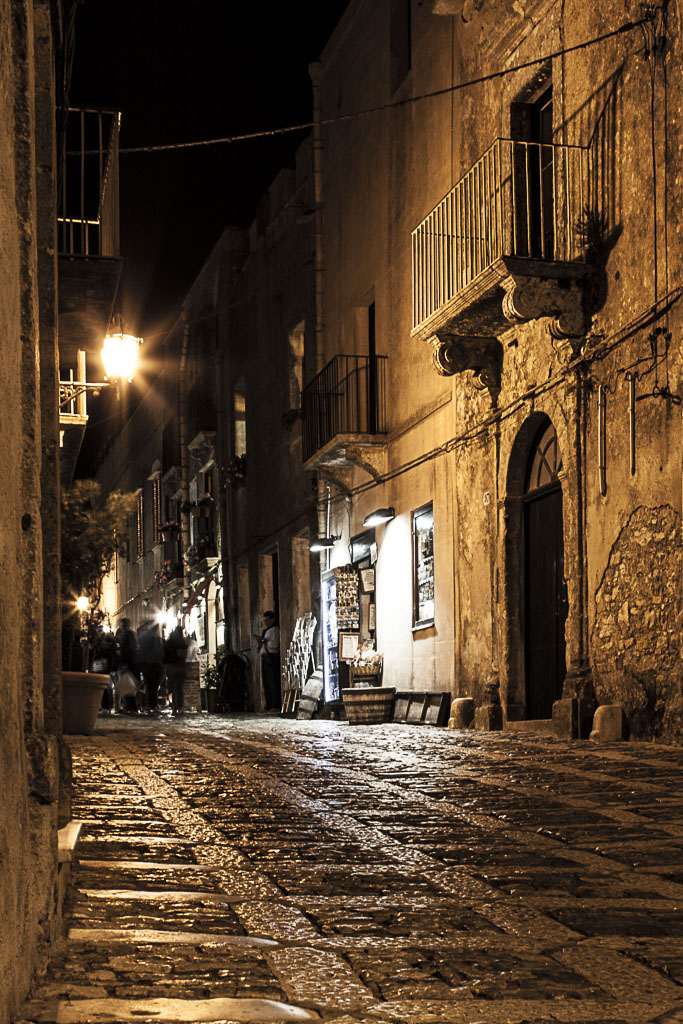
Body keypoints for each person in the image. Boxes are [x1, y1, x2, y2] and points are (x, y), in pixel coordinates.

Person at [138, 621, 164, 713]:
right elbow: (159, 653)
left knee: (149, 685)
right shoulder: (155, 640)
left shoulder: (143, 638)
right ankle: (152, 704)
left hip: (146, 666)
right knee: (153, 686)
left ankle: (150, 704)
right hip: (154, 666)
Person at [259, 610, 281, 712]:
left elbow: (275, 645)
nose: (265, 622)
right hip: (265, 657)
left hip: (271, 657)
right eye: (264, 621)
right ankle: (269, 704)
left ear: (273, 619)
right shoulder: (267, 630)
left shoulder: (275, 630)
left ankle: (275, 705)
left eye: (267, 620)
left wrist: (265, 642)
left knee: (272, 681)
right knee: (266, 682)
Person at [117, 617, 139, 713]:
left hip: (129, 663)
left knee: (128, 685)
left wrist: (125, 663)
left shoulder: (128, 635)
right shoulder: (129, 635)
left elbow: (128, 650)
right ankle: (130, 706)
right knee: (128, 685)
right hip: (130, 663)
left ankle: (131, 706)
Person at [163, 624, 187, 716]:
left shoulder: (169, 642)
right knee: (179, 688)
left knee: (173, 688)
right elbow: (184, 654)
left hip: (171, 667)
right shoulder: (182, 642)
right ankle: (180, 707)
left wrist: (166, 664)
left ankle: (174, 707)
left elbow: (164, 654)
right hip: (180, 666)